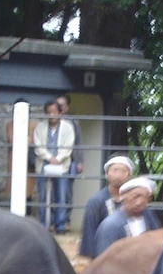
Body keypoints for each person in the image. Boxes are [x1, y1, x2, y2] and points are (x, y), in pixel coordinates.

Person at [78, 155, 134, 259]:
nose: (118, 175)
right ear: (106, 174)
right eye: (114, 170)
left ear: (129, 175)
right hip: (103, 258)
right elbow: (89, 236)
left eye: (123, 171)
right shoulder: (95, 202)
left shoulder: (135, 202)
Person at [32, 100, 75, 234]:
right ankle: (44, 225)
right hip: (43, 165)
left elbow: (69, 145)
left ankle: (60, 226)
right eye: (49, 112)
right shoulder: (40, 127)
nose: (51, 115)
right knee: (43, 197)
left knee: (60, 196)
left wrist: (58, 158)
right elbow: (37, 145)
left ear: (60, 112)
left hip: (62, 166)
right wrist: (49, 157)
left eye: (54, 112)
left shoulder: (68, 127)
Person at [94, 177, 161, 257]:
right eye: (135, 196)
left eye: (145, 198)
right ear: (122, 196)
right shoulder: (111, 225)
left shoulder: (148, 217)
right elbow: (104, 259)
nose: (139, 202)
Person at [56, 94, 83, 230]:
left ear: (67, 107)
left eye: (62, 105)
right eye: (57, 105)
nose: (59, 108)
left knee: (66, 192)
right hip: (52, 162)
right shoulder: (50, 120)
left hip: (70, 161)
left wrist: (79, 161)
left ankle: (66, 221)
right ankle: (54, 222)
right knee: (54, 192)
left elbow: (78, 142)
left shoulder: (73, 122)